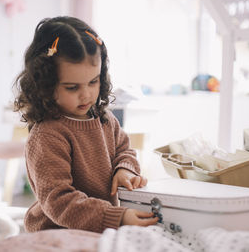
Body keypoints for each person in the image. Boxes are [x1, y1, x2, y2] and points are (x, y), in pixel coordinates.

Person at [13, 16, 158, 233]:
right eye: (72, 87)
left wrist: (124, 169)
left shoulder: (105, 119)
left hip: (98, 229)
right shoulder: (47, 135)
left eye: (93, 81)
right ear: (45, 85)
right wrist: (117, 216)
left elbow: (124, 151)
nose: (86, 95)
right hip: (55, 233)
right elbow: (59, 201)